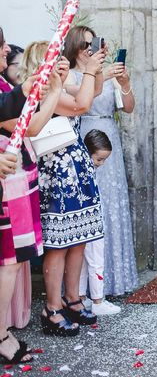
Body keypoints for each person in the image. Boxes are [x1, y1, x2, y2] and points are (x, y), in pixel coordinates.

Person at [0, 27, 63, 364]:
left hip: (14, 175)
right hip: (6, 180)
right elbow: (28, 125)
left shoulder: (4, 86)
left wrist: (50, 89)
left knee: (12, 261)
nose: (6, 48)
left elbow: (28, 122)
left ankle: (4, 328)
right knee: (8, 261)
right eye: (0, 44)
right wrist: (38, 89)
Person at [38, 25, 106, 336]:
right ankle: (51, 307)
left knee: (79, 237)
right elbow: (82, 105)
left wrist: (96, 71)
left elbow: (92, 93)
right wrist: (89, 72)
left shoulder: (61, 86)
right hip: (57, 170)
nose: (90, 49)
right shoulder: (44, 91)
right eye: (86, 45)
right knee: (59, 242)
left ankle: (72, 298)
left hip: (76, 165)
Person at [79, 52, 137, 304]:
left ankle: (112, 279)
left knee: (110, 205)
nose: (91, 51)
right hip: (84, 133)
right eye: (86, 45)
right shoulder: (72, 75)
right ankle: (82, 286)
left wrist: (124, 84)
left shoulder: (110, 77)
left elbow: (129, 107)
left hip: (107, 137)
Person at [79, 130, 119, 315]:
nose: (101, 164)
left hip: (85, 220)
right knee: (95, 259)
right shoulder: (85, 172)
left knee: (83, 262)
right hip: (91, 221)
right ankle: (97, 300)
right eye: (99, 159)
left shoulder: (84, 169)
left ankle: (81, 297)